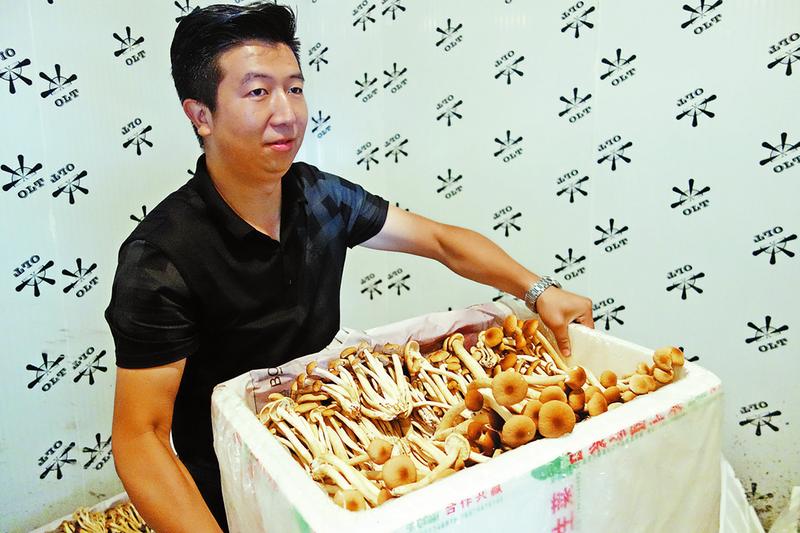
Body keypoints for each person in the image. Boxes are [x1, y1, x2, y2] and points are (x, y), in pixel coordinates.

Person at [106, 3, 594, 532]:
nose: (287, 113)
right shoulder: (161, 259)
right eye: (258, 92)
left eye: (294, 88)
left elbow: (440, 241)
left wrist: (538, 289)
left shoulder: (319, 197)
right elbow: (141, 439)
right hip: (234, 484)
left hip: (337, 452)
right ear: (201, 115)